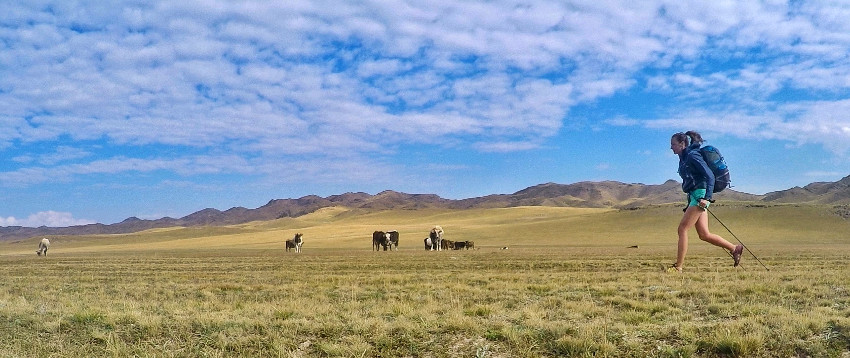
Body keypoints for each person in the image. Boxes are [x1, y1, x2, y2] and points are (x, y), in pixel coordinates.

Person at [669, 131, 742, 273]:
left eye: (673, 144)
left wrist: (706, 197)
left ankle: (678, 267)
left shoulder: (692, 155)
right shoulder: (684, 158)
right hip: (695, 196)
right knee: (704, 234)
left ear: (682, 144)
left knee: (682, 229)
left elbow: (709, 176)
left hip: (701, 195)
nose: (671, 147)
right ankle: (735, 249)